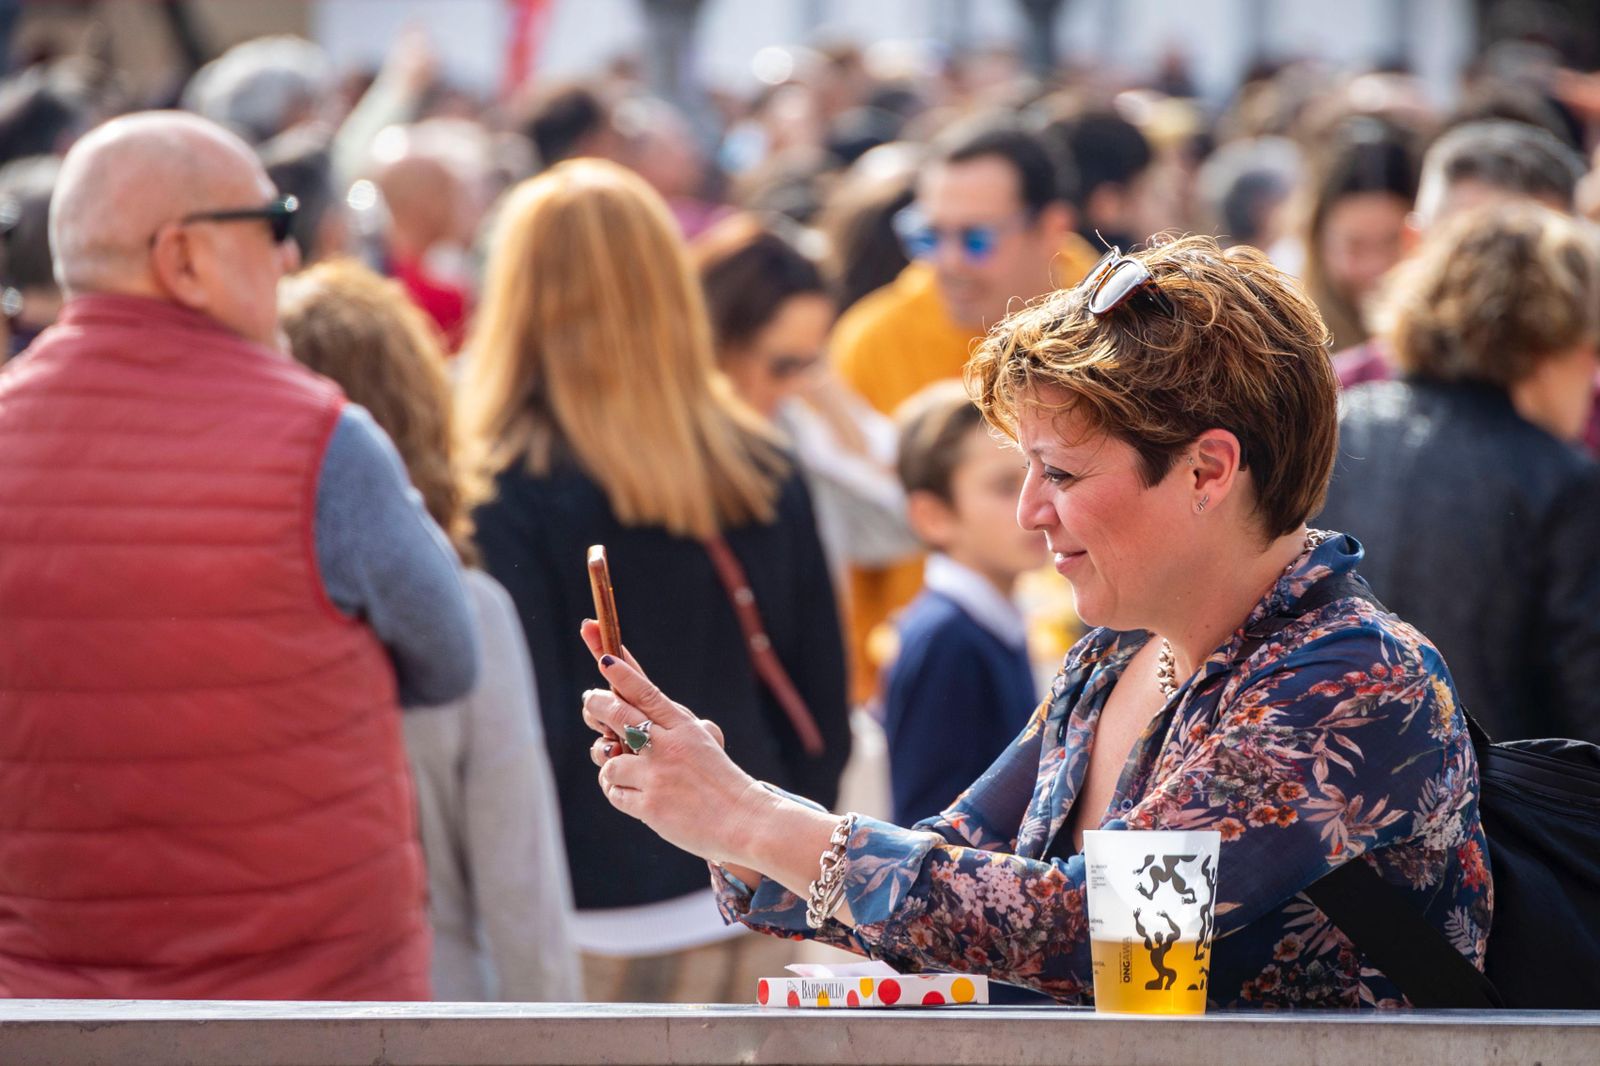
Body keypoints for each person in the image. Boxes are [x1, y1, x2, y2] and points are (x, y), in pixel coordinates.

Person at [577, 235, 1489, 1008]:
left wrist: (749, 819)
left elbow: (1094, 929)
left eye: (1061, 474)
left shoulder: (1358, 679)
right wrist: (715, 801)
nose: (1028, 512)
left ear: (1209, 472)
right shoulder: (1118, 655)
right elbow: (956, 872)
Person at [0, 111, 477, 999]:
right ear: (181, 258)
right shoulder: (324, 439)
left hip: (45, 999)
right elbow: (450, 660)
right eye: (274, 225)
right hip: (314, 999)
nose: (292, 258)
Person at [457, 158, 850, 1003]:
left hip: (573, 903)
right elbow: (824, 689)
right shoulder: (760, 464)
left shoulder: (490, 491)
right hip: (747, 881)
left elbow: (505, 723)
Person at [280, 259, 581, 1002]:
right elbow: (519, 880)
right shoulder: (469, 607)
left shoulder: (223, 604)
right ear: (420, 404)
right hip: (432, 1002)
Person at [830, 114, 1098, 702]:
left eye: (975, 239)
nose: (946, 262)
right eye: (929, 236)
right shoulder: (872, 340)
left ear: (1052, 228)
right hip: (924, 684)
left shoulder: (1121, 330)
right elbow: (848, 554)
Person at [1317, 204, 1600, 743]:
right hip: (1494, 810)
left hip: (1333, 785)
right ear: (1548, 342)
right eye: (1592, 348)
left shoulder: (1338, 426)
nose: (1592, 377)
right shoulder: (1562, 482)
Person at [693, 213, 915, 585]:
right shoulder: (670, 447)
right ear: (720, 343)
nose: (796, 385)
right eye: (783, 365)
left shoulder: (792, 429)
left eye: (811, 363)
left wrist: (840, 413)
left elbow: (903, 529)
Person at [881, 381, 1046, 827]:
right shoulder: (945, 641)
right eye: (1004, 486)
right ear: (933, 516)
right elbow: (926, 828)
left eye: (1044, 473)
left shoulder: (993, 623)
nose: (1034, 504)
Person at [1331, 119, 1587, 387]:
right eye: (1471, 254)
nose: (1503, 288)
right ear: (1413, 244)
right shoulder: (1338, 402)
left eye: (1532, 261)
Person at [1295, 118, 1417, 351]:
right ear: (1318, 241)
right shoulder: (1288, 346)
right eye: (1355, 246)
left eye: (1394, 242)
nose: (1376, 267)